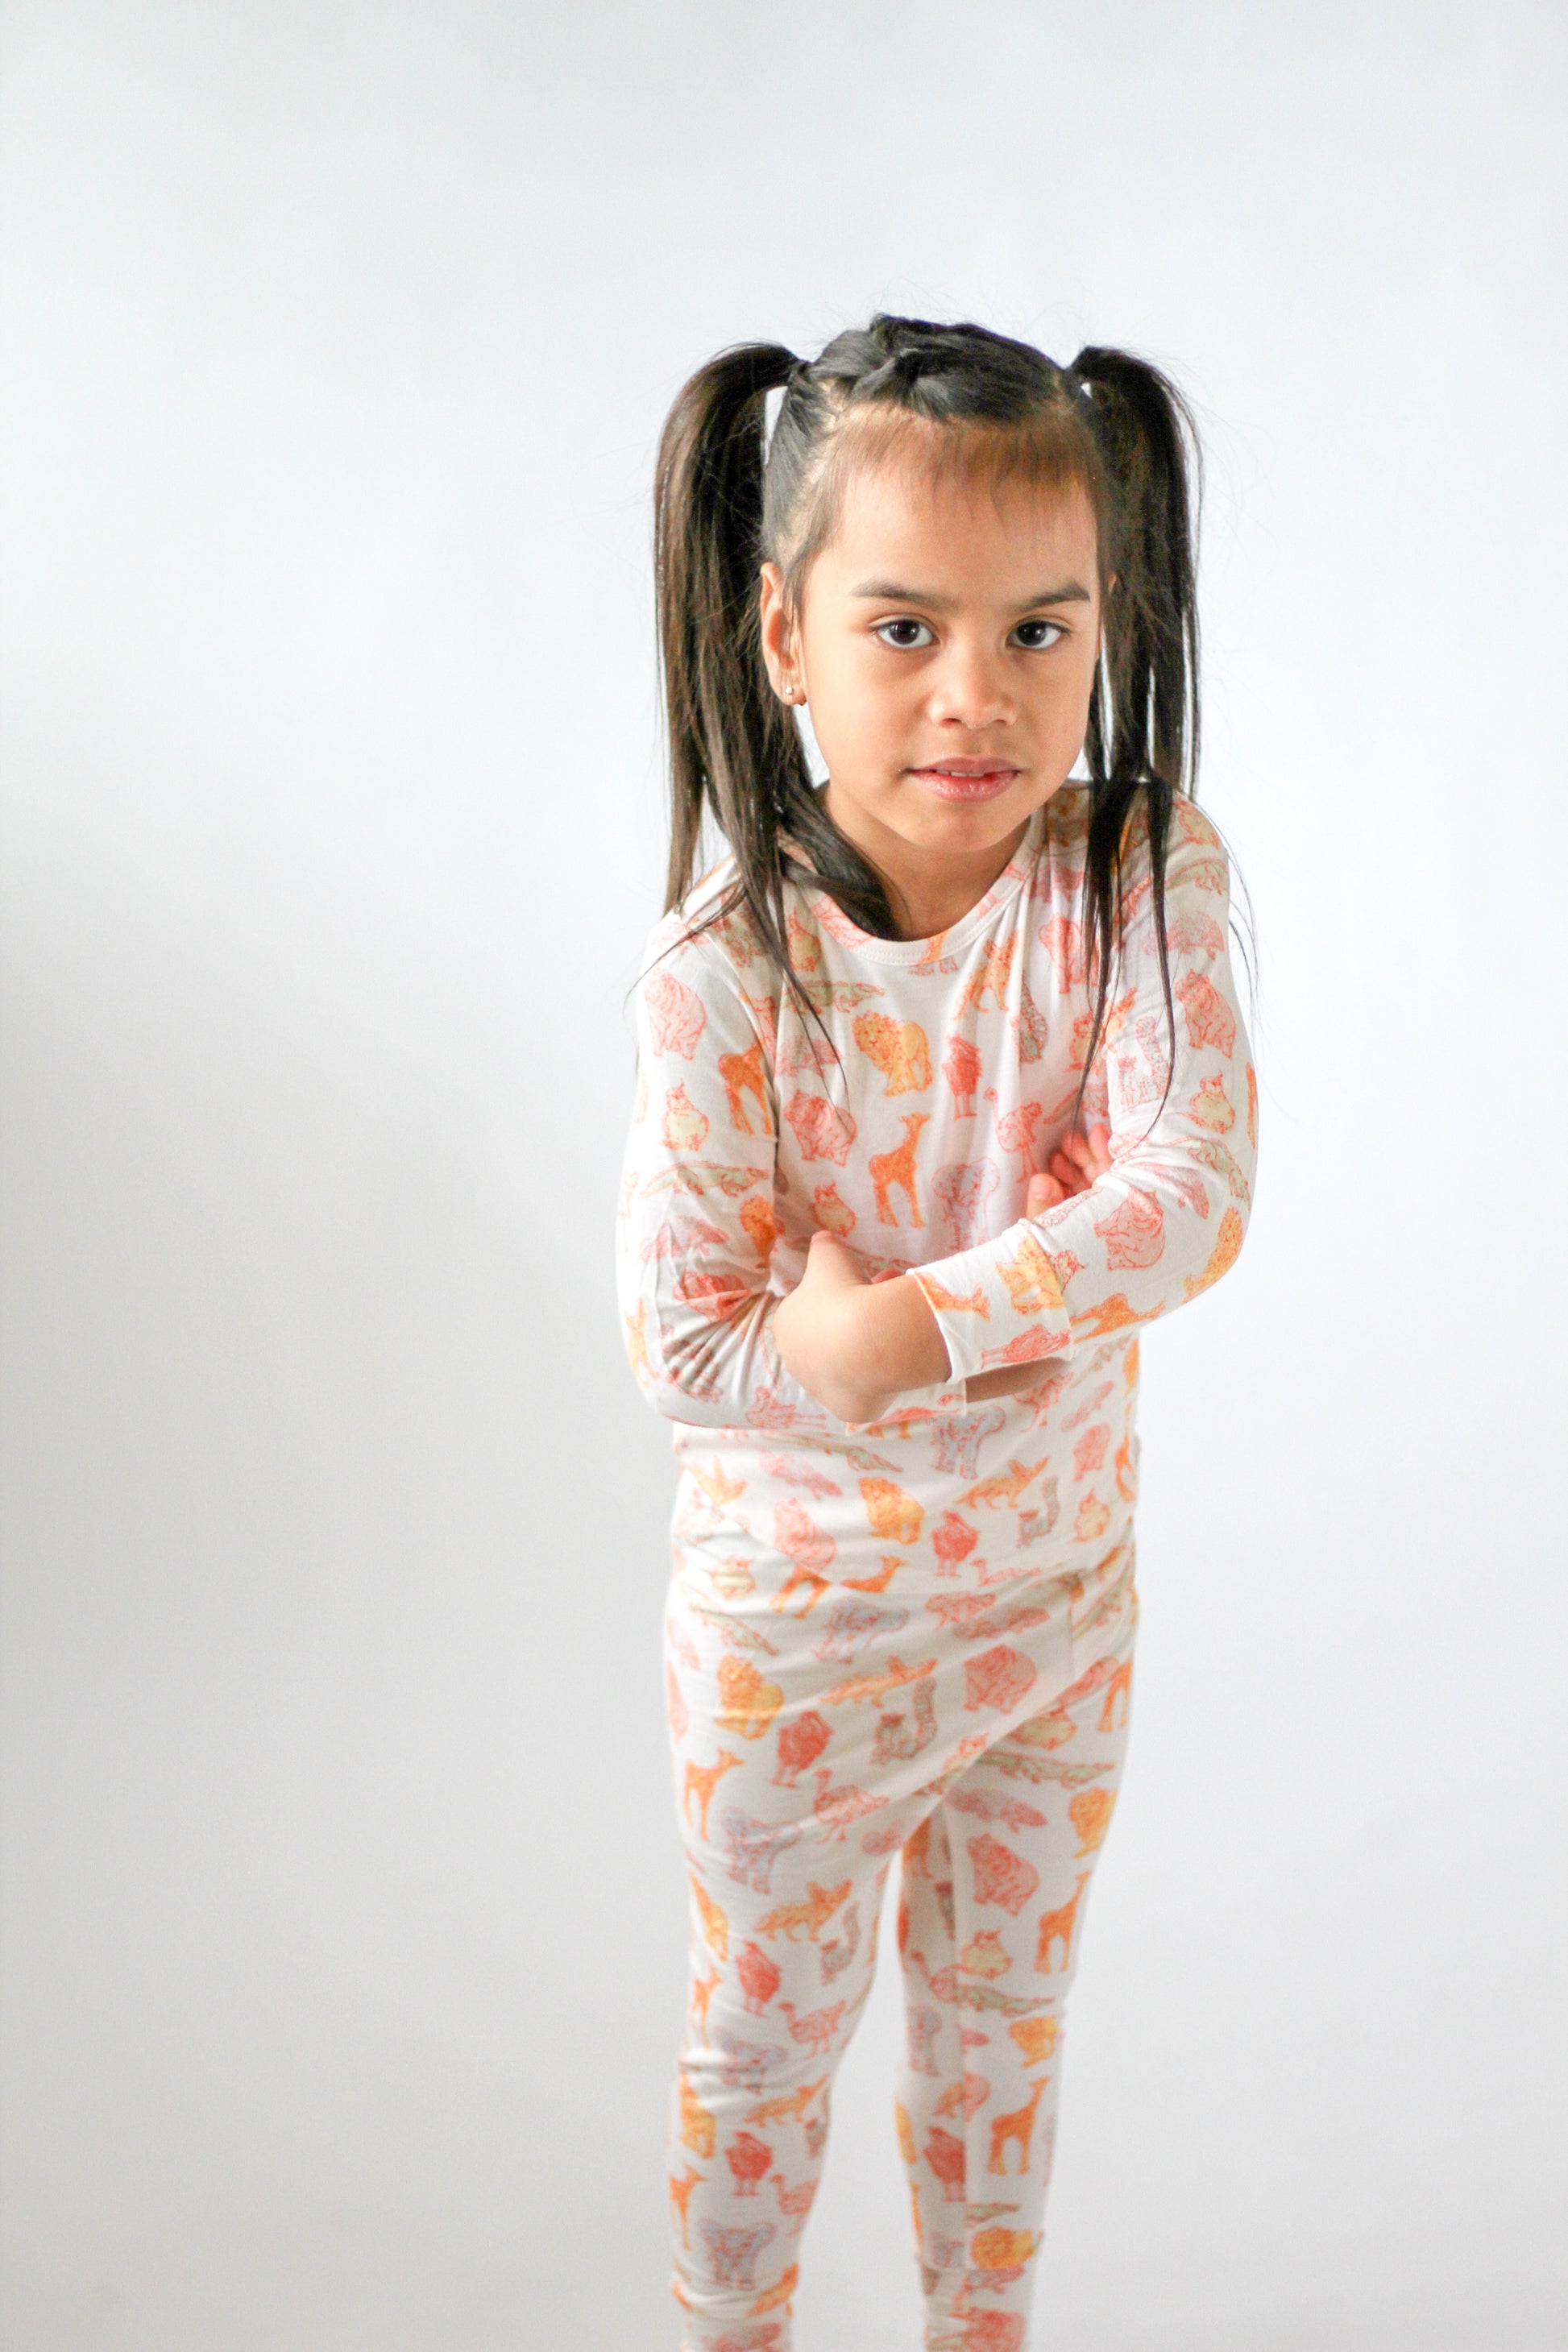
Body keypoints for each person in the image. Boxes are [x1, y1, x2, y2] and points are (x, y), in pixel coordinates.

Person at [616, 314, 1255, 2352]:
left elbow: (1190, 1193)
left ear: (1108, 624)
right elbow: (675, 1334)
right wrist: (835, 1350)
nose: (977, 694)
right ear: (786, 633)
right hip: (796, 1650)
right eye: (904, 629)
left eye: (1039, 632)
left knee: (1000, 2050)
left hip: (1053, 1621)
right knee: (757, 2062)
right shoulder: (726, 975)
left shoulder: (1140, 871)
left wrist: (898, 1325)